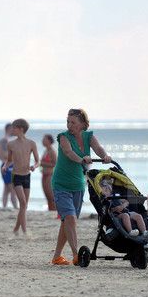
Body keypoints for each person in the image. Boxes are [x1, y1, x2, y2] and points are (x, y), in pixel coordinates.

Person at [51, 108, 111, 266]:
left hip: (77, 185)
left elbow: (98, 148)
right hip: (61, 183)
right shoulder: (63, 137)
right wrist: (82, 159)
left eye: (73, 122)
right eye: (68, 122)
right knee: (69, 218)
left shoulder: (88, 136)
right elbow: (69, 152)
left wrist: (104, 156)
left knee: (67, 221)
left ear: (83, 124)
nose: (69, 125)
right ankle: (76, 254)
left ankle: (57, 256)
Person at [1, 119, 39, 237]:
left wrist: (34, 166)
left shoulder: (31, 143)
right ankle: (25, 231)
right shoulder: (11, 144)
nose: (12, 130)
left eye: (14, 128)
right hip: (16, 176)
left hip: (27, 176)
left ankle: (16, 229)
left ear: (21, 129)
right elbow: (9, 160)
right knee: (22, 203)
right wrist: (5, 166)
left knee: (24, 205)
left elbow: (38, 161)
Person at [0, 123, 18, 209]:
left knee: (6, 188)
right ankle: (15, 207)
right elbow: (3, 154)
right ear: (9, 129)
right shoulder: (5, 140)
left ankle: (4, 206)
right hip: (8, 166)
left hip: (6, 165)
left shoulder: (4, 140)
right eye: (13, 129)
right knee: (12, 187)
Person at [40, 134, 57, 211]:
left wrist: (43, 163)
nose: (42, 141)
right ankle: (50, 210)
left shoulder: (52, 151)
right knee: (47, 195)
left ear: (49, 141)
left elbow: (55, 163)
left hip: (50, 174)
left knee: (51, 195)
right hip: (44, 174)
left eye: (44, 139)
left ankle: (54, 210)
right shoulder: (45, 150)